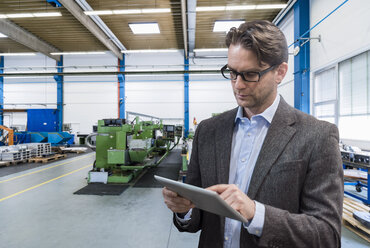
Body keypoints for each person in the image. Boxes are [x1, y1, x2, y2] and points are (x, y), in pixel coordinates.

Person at [162, 20, 343, 248]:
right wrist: (184, 210)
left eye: (249, 75)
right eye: (232, 72)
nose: (238, 85)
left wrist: (256, 214)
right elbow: (198, 216)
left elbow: (327, 235)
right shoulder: (208, 131)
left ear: (280, 72)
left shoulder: (317, 137)